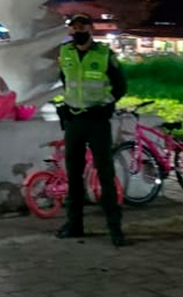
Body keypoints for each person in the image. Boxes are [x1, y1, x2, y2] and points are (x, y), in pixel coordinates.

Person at [55, 13, 130, 247]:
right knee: (73, 175)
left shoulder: (104, 54)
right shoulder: (65, 53)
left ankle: (115, 229)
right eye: (74, 27)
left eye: (83, 26)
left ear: (91, 28)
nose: (78, 30)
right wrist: (66, 106)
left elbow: (120, 86)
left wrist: (107, 105)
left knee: (105, 175)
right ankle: (74, 224)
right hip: (74, 121)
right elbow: (65, 81)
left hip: (97, 121)